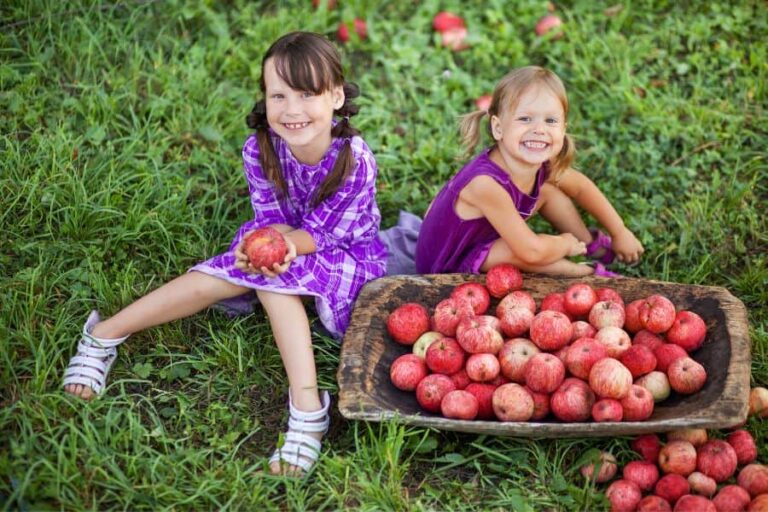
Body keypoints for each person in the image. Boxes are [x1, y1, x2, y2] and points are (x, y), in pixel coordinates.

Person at [62, 31, 387, 476]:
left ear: (335, 97)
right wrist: (266, 247)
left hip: (345, 249)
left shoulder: (354, 158)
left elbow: (329, 232)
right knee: (233, 272)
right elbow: (269, 216)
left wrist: (283, 252)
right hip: (280, 236)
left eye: (307, 94)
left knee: (273, 281)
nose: (292, 109)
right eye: (278, 95)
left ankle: (308, 407)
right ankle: (104, 334)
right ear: (265, 98)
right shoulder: (261, 148)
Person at [415, 66, 643, 277]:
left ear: (563, 129)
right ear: (498, 128)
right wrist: (563, 244)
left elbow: (581, 187)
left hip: (489, 233)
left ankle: (589, 244)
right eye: (525, 119)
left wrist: (619, 231)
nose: (539, 130)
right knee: (517, 251)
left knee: (548, 192)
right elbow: (531, 251)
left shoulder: (543, 161)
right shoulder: (485, 184)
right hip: (450, 261)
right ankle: (585, 273)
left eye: (551, 120)